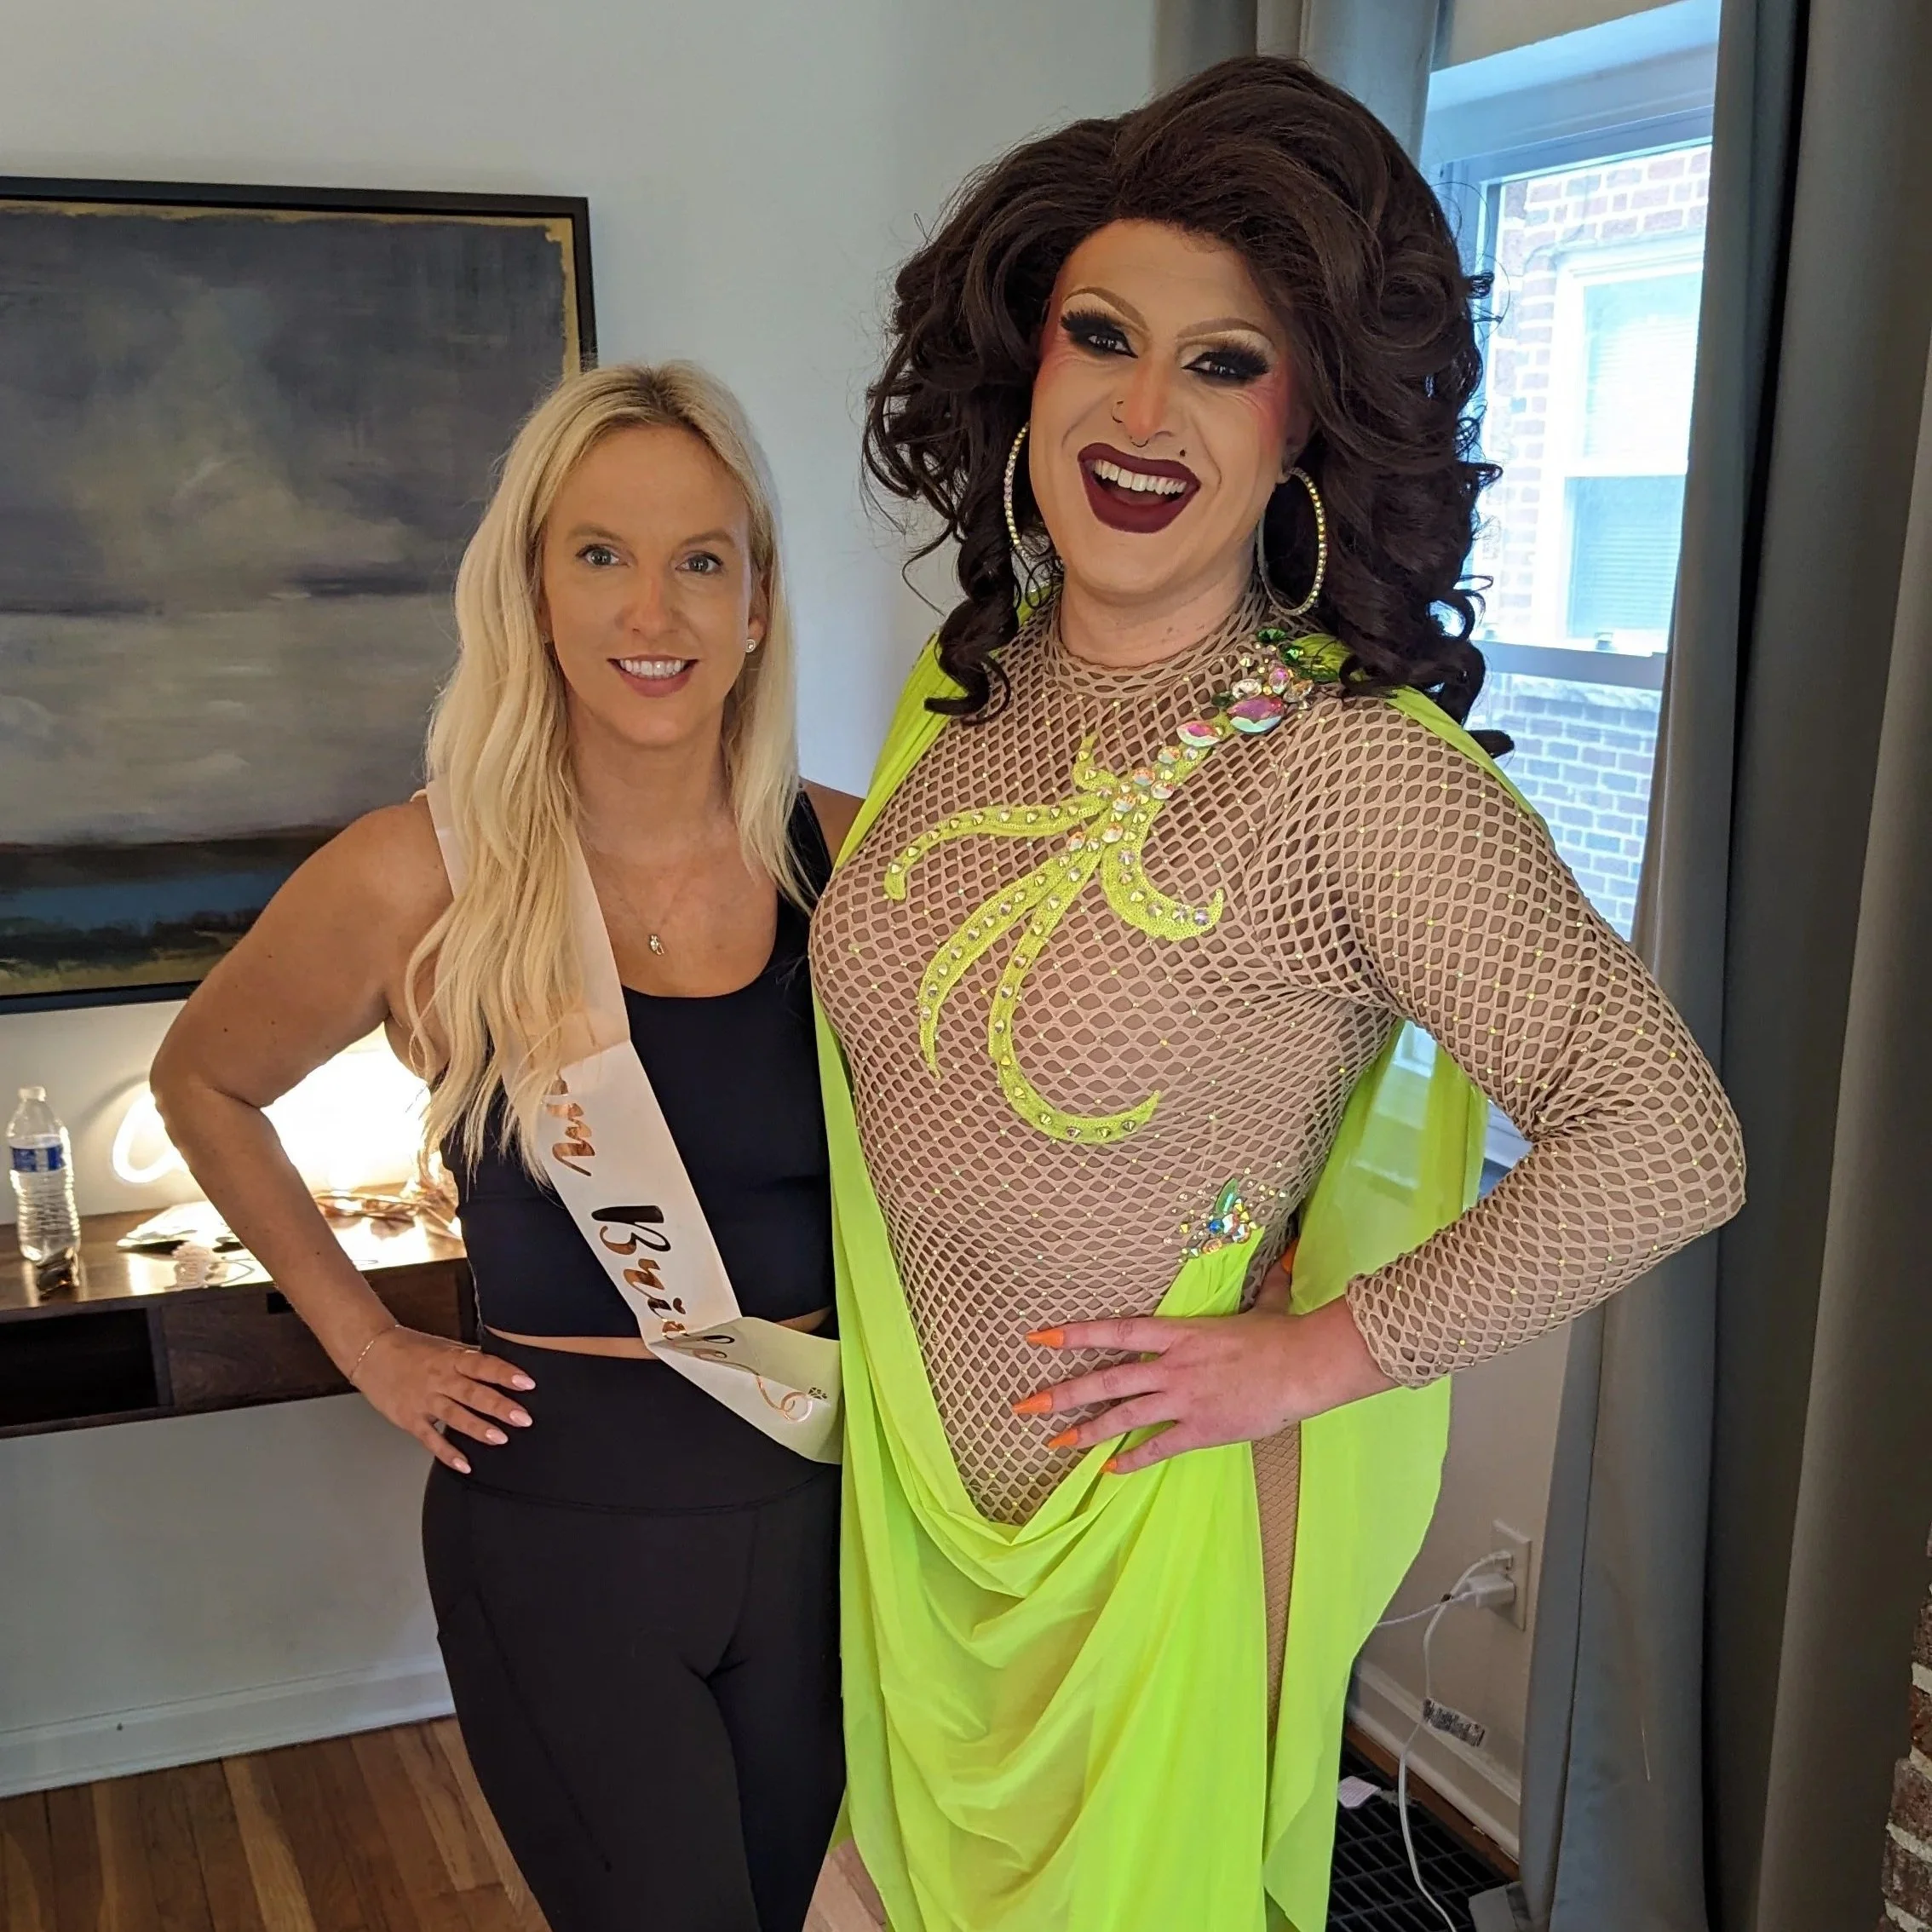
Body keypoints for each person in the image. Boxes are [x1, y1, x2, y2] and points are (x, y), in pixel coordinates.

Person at [809, 55, 1746, 1931]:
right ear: (1025, 367)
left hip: (1152, 1548)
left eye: (1226, 361)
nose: (1146, 410)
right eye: (1104, 334)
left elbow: (1670, 1143)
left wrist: (1316, 1356)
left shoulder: (1352, 775)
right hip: (913, 1521)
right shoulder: (960, 686)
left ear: (1311, 417)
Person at [153, 363, 860, 1932]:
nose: (650, 608)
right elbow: (203, 1079)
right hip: (559, 1547)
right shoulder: (422, 873)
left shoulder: (860, 856)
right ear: (533, 591)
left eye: (701, 558)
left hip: (827, 1530)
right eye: (599, 553)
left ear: (756, 602)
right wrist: (365, 1344)